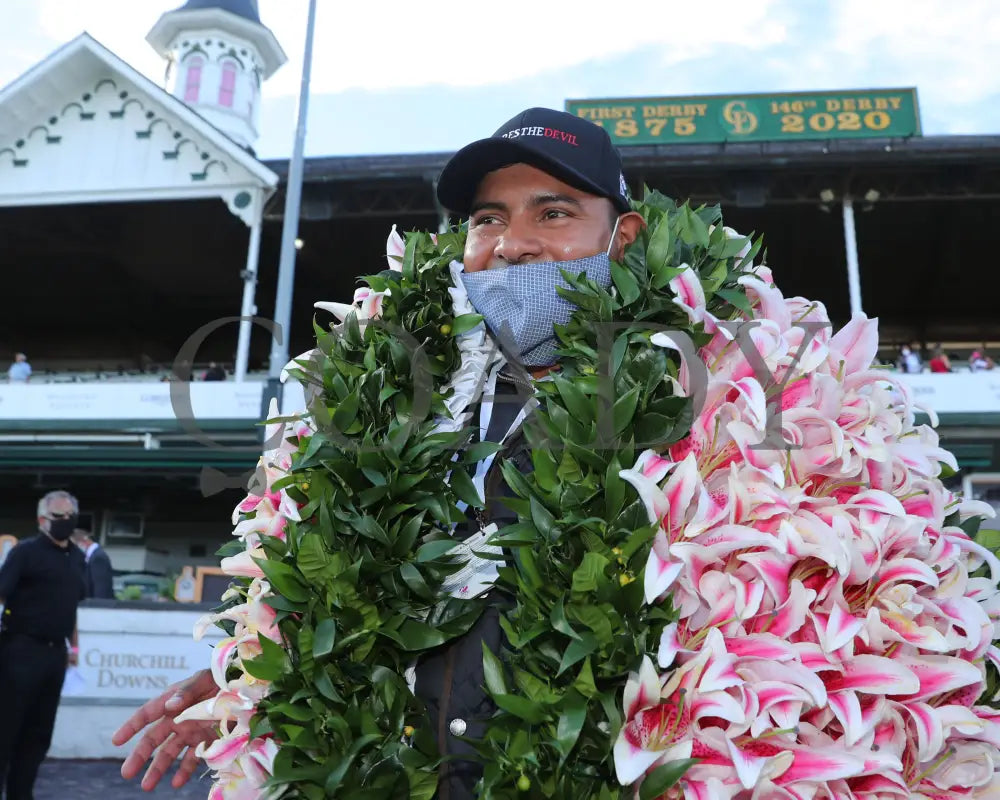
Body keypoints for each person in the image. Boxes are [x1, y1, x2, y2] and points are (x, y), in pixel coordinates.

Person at [112, 107, 645, 796]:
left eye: (553, 213)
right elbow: (333, 589)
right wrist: (248, 676)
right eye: (487, 219)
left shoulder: (699, 409)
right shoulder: (385, 393)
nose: (512, 244)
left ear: (621, 238)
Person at [0, 490, 86, 799]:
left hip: (55, 656)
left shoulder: (77, 557)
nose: (65, 522)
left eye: (70, 517)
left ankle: (21, 795)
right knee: (6, 730)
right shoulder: (25, 552)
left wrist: (73, 648)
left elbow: (71, 607)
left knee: (38, 735)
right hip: (20, 650)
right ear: (41, 520)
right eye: (58, 516)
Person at [70, 528, 115, 600]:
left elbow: (101, 589)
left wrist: (97, 608)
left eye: (76, 545)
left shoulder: (98, 558)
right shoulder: (91, 557)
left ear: (83, 541)